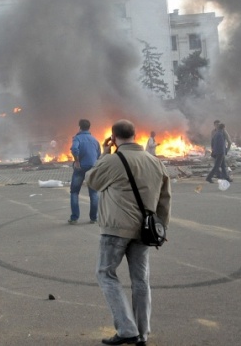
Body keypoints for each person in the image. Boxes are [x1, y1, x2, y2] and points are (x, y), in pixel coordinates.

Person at [86, 119, 171, 346]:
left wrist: (104, 154)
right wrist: (161, 228)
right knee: (140, 280)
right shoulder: (155, 162)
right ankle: (142, 334)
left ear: (113, 138)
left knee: (105, 274)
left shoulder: (112, 161)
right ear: (136, 135)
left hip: (115, 229)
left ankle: (126, 329)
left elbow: (92, 180)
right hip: (145, 230)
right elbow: (165, 199)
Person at [68, 119, 101, 224]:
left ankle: (74, 218)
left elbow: (74, 149)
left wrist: (77, 161)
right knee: (93, 193)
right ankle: (93, 218)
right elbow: (98, 154)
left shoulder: (77, 138)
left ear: (79, 127)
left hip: (80, 168)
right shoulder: (95, 140)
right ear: (89, 127)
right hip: (92, 167)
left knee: (74, 192)